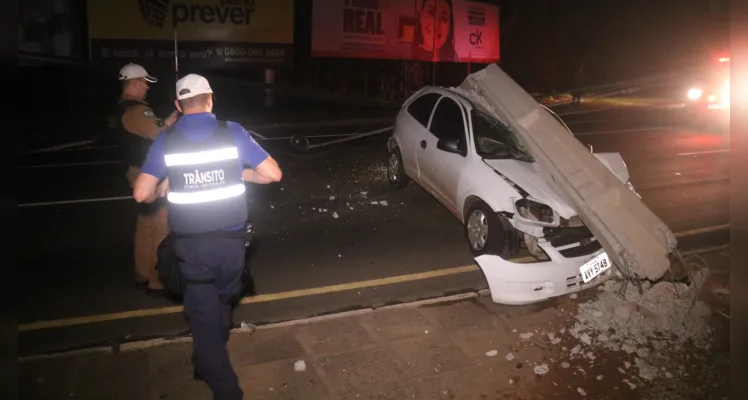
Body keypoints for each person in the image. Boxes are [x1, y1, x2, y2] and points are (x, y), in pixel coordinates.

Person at [132, 73, 282, 399]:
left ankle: (226, 390)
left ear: (178, 105)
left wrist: (164, 185)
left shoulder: (166, 140)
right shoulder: (233, 131)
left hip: (194, 250)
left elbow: (142, 194)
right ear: (210, 99)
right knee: (222, 303)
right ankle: (204, 360)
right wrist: (237, 172)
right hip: (232, 249)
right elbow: (273, 173)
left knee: (203, 323)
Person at [113, 63, 180, 296]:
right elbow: (161, 134)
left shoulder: (124, 108)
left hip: (136, 171)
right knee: (161, 225)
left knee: (145, 226)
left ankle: (142, 274)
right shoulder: (139, 111)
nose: (147, 87)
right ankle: (157, 279)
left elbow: (157, 127)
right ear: (134, 83)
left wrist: (173, 117)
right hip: (149, 175)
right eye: (144, 83)